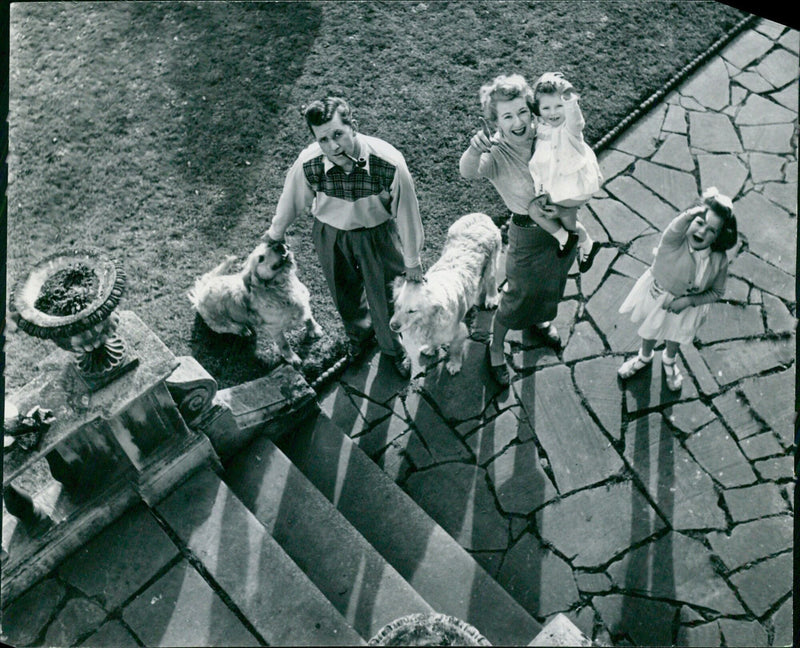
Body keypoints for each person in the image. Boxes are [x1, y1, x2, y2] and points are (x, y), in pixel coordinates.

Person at [264, 96, 424, 379]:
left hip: (377, 236)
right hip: (331, 236)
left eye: (338, 134)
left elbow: (407, 213)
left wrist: (412, 260)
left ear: (353, 126)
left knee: (385, 295)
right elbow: (291, 201)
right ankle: (359, 339)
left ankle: (392, 348)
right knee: (344, 293)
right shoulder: (309, 163)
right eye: (323, 139)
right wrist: (275, 234)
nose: (333, 146)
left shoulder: (388, 162)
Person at [460, 74, 577, 387]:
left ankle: (539, 320)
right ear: (496, 121)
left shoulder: (545, 134)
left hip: (560, 225)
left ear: (531, 109)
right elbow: (468, 172)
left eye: (522, 112)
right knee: (515, 297)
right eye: (507, 116)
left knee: (552, 282)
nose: (517, 121)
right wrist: (474, 150)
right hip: (525, 235)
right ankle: (496, 346)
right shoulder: (496, 154)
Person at [617, 187, 738, 391]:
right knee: (651, 329)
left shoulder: (719, 260)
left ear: (718, 237)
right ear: (689, 220)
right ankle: (644, 357)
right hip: (658, 297)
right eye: (700, 223)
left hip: (688, 307)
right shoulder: (674, 242)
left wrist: (689, 301)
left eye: (712, 231)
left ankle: (669, 360)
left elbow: (717, 292)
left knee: (675, 334)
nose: (702, 232)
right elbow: (674, 228)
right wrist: (694, 211)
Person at [527, 72, 603, 272]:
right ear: (538, 110)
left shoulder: (569, 129)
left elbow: (577, 121)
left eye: (558, 106)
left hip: (576, 186)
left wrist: (569, 100)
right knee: (560, 218)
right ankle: (584, 244)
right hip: (562, 186)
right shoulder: (542, 128)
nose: (553, 113)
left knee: (551, 215)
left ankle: (571, 239)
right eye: (546, 108)